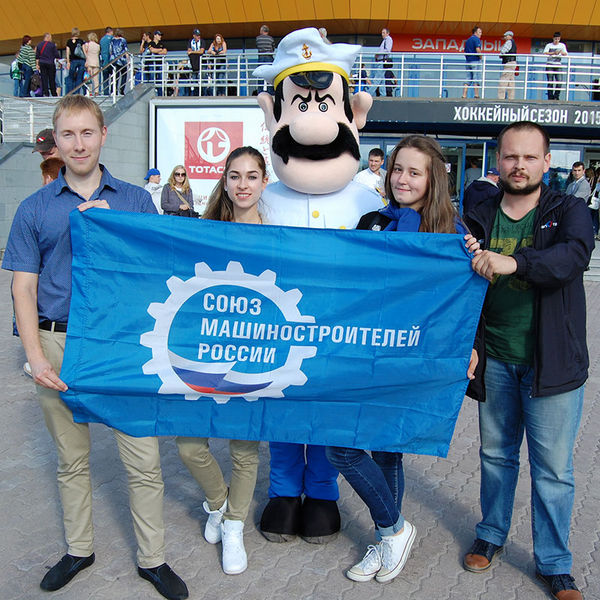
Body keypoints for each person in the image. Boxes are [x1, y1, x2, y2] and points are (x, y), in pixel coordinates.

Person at [1, 94, 188, 600]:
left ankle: (153, 559)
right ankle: (79, 549)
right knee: (71, 459)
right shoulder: (35, 208)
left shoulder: (135, 201)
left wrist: (116, 231)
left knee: (143, 459)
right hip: (58, 342)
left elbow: (158, 272)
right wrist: (34, 356)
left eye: (87, 132)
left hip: (121, 344)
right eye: (68, 134)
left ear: (103, 135)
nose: (78, 144)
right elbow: (22, 287)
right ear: (55, 141)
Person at [327, 135, 480, 584]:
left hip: (414, 356)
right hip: (366, 351)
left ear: (432, 179)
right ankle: (394, 529)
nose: (402, 179)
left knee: (387, 448)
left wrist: (470, 344)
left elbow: (469, 298)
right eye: (397, 169)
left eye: (415, 171)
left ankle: (386, 537)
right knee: (341, 446)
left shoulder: (454, 233)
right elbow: (347, 282)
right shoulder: (371, 221)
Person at [253, 27, 382, 544]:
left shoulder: (368, 201)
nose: (312, 123)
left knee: (330, 415)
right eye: (299, 105)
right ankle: (284, 492)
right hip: (277, 333)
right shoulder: (263, 199)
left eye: (325, 105)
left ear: (355, 114)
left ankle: (324, 493)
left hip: (341, 335)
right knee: (282, 413)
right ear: (273, 115)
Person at [462, 120, 593, 600]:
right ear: (498, 160)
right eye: (511, 156)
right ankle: (491, 534)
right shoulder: (478, 212)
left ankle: (555, 563)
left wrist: (512, 261)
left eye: (529, 157)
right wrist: (469, 341)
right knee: (495, 456)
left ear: (547, 161)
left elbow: (572, 258)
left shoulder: (569, 210)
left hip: (551, 364)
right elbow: (461, 283)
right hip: (495, 358)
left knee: (553, 471)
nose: (519, 165)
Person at [176, 146, 267, 576]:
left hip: (253, 354)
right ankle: (218, 503)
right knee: (189, 445)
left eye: (251, 176)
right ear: (225, 181)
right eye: (235, 176)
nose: (243, 185)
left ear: (264, 182)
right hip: (205, 352)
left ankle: (234, 526)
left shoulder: (282, 237)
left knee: (244, 449)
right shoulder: (204, 231)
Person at [543, 32, 568, 100]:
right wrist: (553, 53)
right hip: (550, 64)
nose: (557, 40)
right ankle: (550, 97)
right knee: (550, 81)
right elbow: (545, 53)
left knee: (559, 81)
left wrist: (560, 52)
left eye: (558, 39)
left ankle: (556, 96)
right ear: (553, 38)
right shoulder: (549, 45)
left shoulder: (562, 45)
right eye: (555, 39)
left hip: (558, 65)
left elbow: (565, 54)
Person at [462, 26, 482, 99]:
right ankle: (476, 95)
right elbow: (478, 49)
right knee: (476, 77)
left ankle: (464, 95)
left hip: (468, 61)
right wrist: (481, 57)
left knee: (468, 78)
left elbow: (465, 51)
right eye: (479, 32)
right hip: (475, 61)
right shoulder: (476, 39)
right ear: (475, 32)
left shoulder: (468, 40)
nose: (481, 34)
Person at [372, 28, 393, 96]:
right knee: (382, 80)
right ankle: (383, 95)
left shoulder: (388, 39)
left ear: (387, 33)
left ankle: (369, 93)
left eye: (384, 33)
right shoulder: (385, 40)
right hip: (381, 61)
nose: (382, 34)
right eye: (382, 33)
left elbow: (387, 50)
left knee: (377, 79)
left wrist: (378, 53)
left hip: (382, 61)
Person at [65, 28, 86, 94]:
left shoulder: (69, 41)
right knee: (79, 77)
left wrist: (68, 62)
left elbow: (67, 53)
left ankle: (71, 92)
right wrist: (87, 59)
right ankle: (77, 92)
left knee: (71, 77)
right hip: (81, 61)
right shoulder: (81, 41)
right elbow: (84, 51)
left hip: (73, 61)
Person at [498, 31, 517, 100]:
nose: (505, 37)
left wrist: (500, 54)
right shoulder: (513, 43)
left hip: (508, 63)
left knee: (503, 80)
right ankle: (511, 98)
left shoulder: (509, 42)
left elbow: (503, 51)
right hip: (513, 62)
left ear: (509, 36)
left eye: (506, 36)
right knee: (511, 81)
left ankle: (501, 97)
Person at [109, 29, 129, 95]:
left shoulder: (112, 40)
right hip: (122, 60)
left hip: (114, 60)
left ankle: (114, 90)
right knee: (124, 75)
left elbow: (110, 50)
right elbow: (126, 50)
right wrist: (128, 60)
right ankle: (121, 89)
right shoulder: (123, 40)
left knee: (115, 76)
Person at [148, 30, 167, 95]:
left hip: (159, 63)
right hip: (152, 64)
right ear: (155, 35)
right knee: (152, 79)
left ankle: (160, 94)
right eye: (159, 35)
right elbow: (152, 50)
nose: (160, 36)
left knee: (160, 80)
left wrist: (157, 51)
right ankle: (151, 94)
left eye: (160, 35)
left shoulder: (162, 44)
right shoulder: (151, 43)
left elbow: (165, 52)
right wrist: (160, 50)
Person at [187, 29, 204, 96]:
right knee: (194, 80)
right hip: (193, 64)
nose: (198, 37)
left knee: (202, 80)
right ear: (194, 36)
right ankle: (195, 94)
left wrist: (192, 52)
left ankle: (203, 94)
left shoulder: (202, 41)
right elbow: (188, 51)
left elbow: (201, 51)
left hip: (201, 64)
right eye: (197, 35)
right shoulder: (190, 42)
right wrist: (196, 52)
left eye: (199, 35)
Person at [99, 26, 113, 94]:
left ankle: (106, 92)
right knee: (113, 77)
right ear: (111, 31)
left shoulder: (102, 40)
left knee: (105, 78)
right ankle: (113, 91)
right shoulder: (112, 39)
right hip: (111, 60)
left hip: (104, 60)